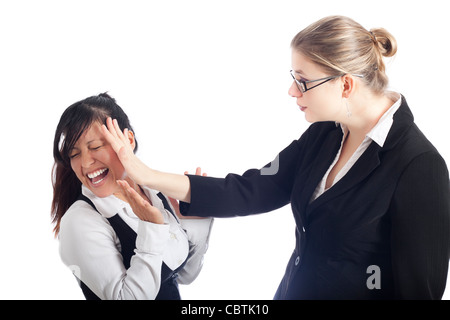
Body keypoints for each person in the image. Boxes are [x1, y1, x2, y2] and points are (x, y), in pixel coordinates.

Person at [100, 15, 450, 299]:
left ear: (345, 85)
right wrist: (145, 174)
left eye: (303, 81)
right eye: (292, 78)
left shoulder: (419, 167)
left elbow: (419, 293)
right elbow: (251, 189)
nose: (291, 91)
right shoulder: (325, 134)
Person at [51, 93, 213, 300]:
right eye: (74, 154)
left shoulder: (155, 192)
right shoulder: (80, 221)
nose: (84, 164)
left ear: (127, 139)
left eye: (95, 147)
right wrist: (152, 229)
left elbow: (184, 276)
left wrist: (197, 223)